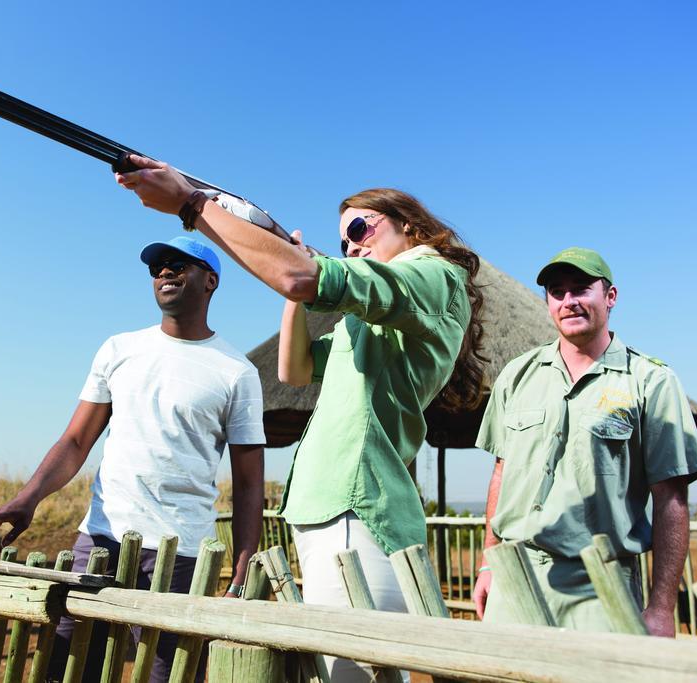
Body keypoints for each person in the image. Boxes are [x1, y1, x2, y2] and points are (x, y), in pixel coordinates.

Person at [116, 159, 486, 681]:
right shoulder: (373, 322)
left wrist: (192, 204)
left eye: (360, 229)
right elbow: (294, 367)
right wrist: (295, 289)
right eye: (343, 244)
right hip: (336, 510)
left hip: (358, 510)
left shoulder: (431, 272)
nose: (352, 247)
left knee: (346, 674)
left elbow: (298, 276)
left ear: (410, 225)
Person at [0, 236, 265, 682]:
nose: (164, 272)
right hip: (99, 541)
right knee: (68, 668)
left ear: (211, 280)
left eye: (179, 265)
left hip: (180, 553)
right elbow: (76, 441)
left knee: (168, 675)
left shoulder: (236, 372)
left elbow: (249, 482)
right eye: (157, 268)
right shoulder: (119, 349)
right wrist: (28, 498)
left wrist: (245, 560)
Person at [472, 247, 697, 637]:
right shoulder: (516, 375)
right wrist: (487, 563)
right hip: (515, 575)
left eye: (581, 289)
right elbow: (502, 472)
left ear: (610, 297)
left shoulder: (650, 381)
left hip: (601, 584)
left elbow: (671, 499)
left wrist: (662, 606)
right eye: (557, 292)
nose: (569, 302)